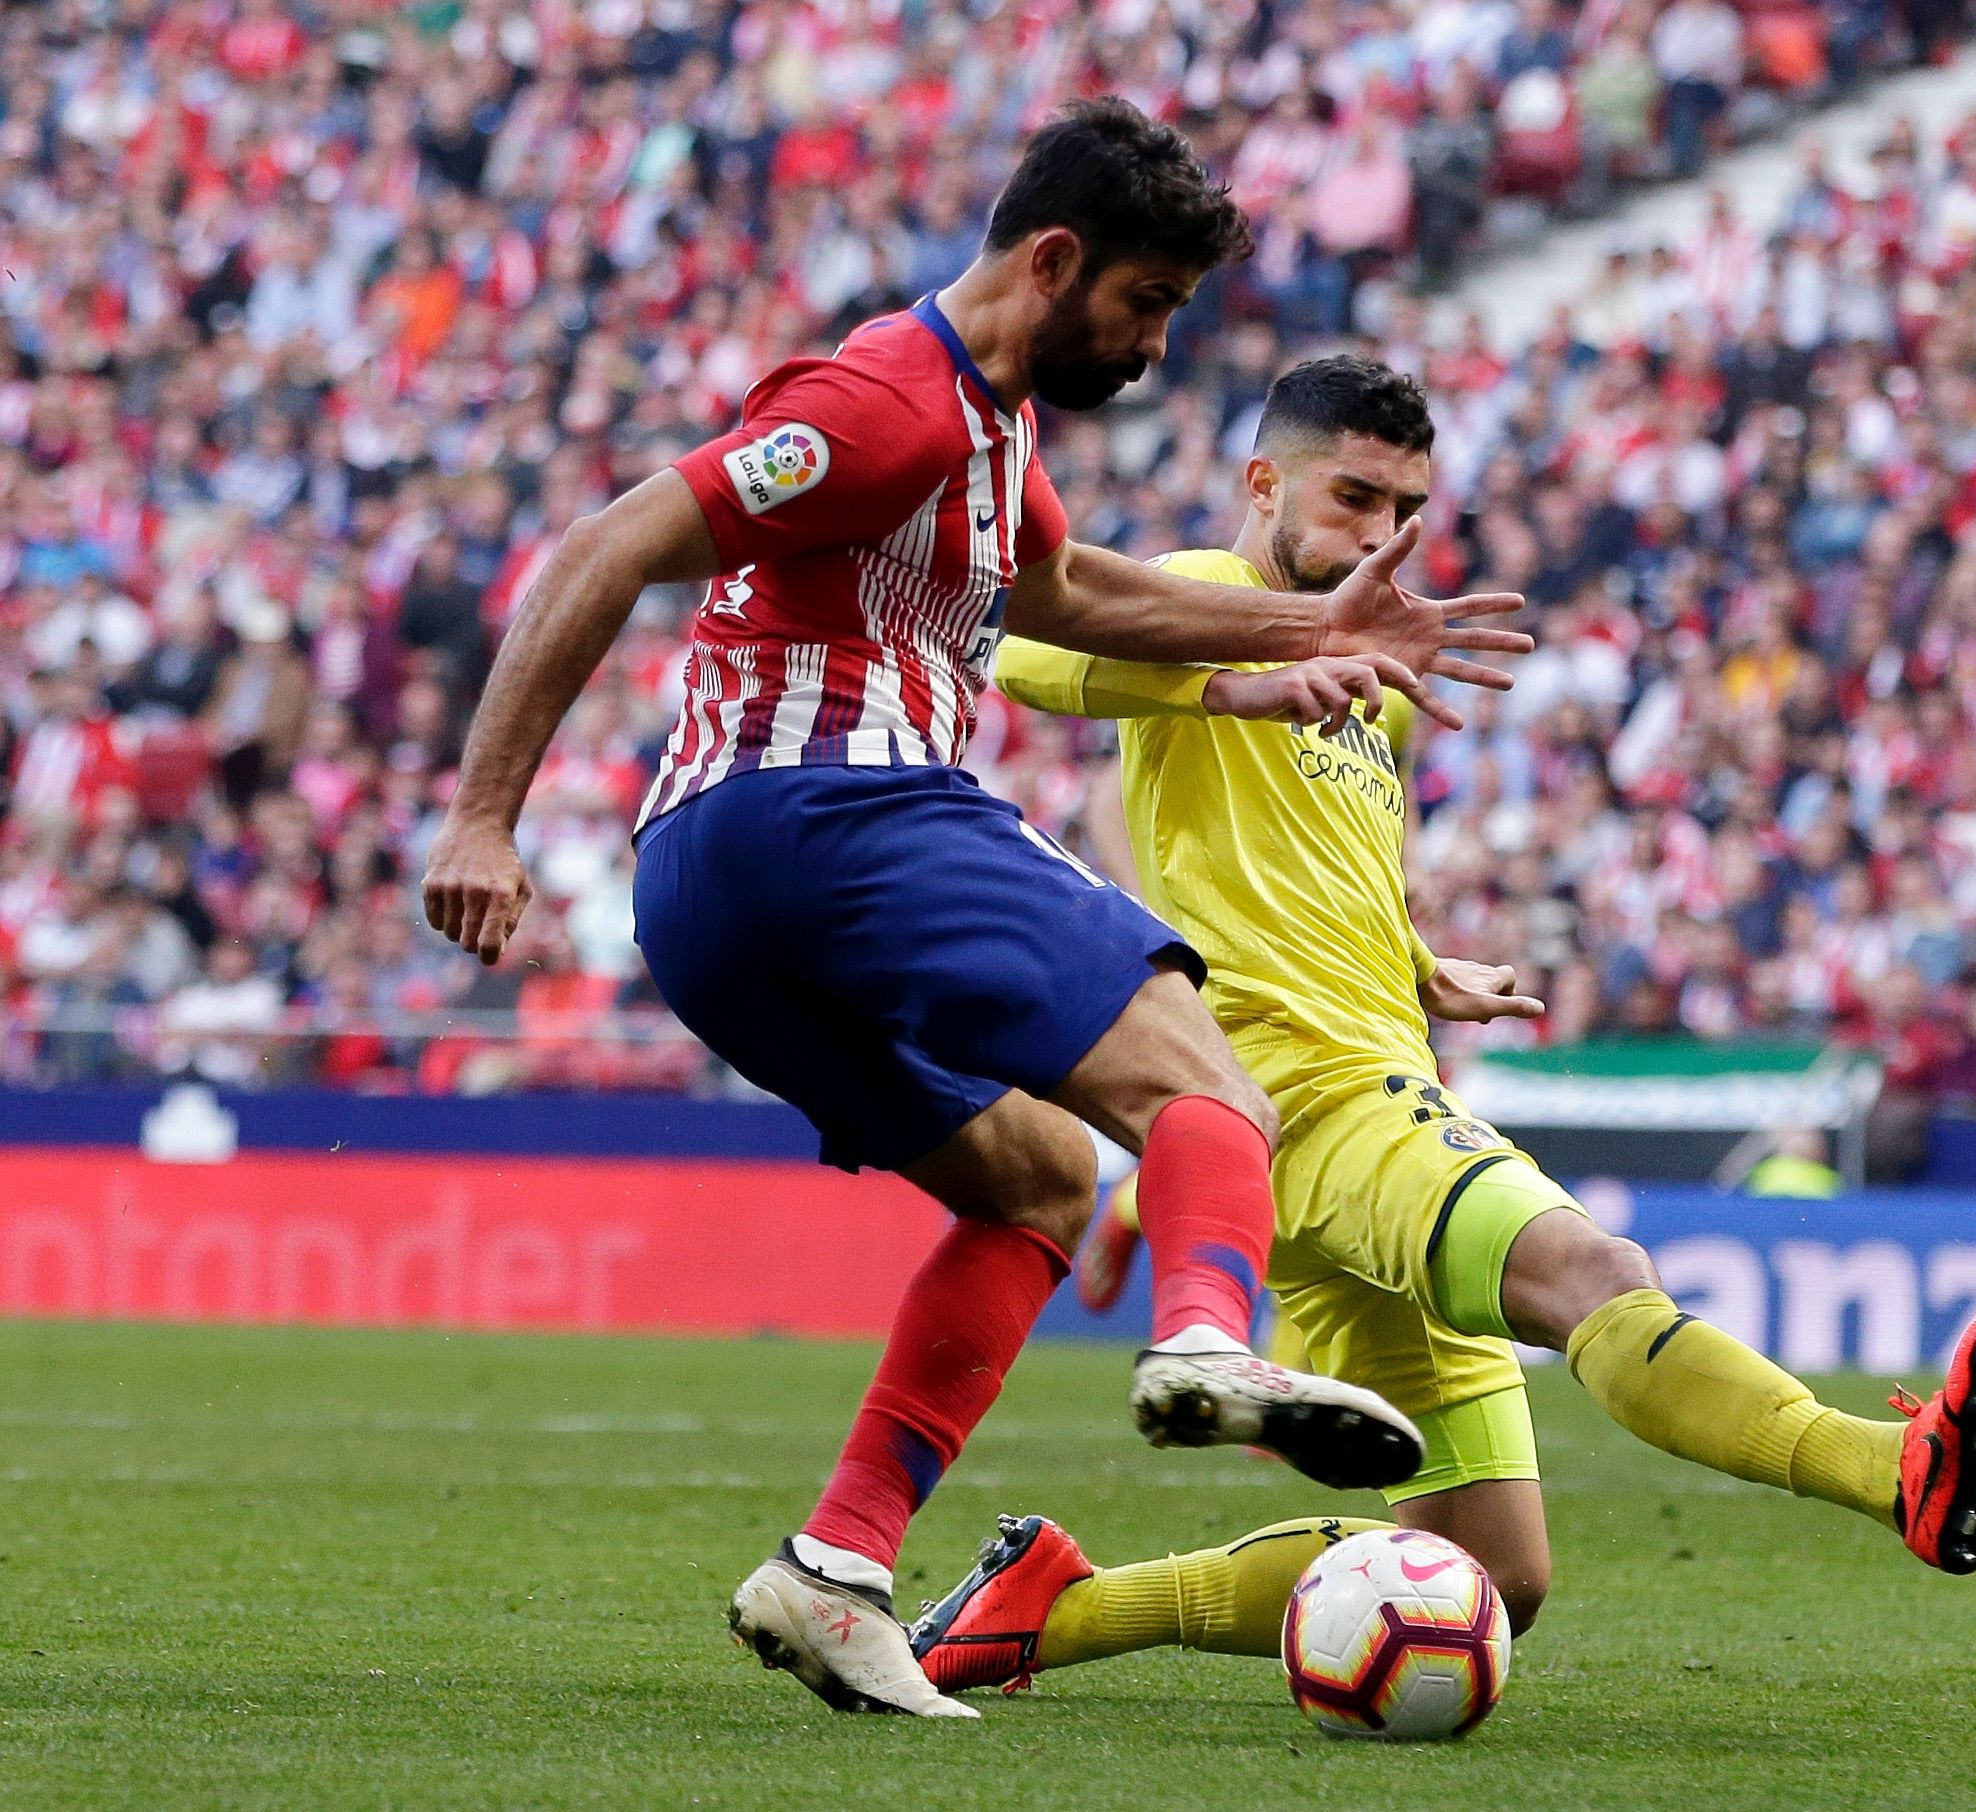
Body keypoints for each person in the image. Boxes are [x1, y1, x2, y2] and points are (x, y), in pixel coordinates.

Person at [416, 103, 1534, 1722]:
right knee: (1200, 1078)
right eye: (1146, 304)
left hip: (716, 899)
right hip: (825, 808)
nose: (1154, 344)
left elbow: (1073, 598)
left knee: (1034, 1179)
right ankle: (1210, 1340)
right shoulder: (885, 402)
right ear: (1053, 259)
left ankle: (834, 1570)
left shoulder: (993, 430)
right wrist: (480, 811)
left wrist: (1298, 624)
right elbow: (613, 538)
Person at [904, 356, 1976, 1698]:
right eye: (1351, 497)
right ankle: (1887, 1466)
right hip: (1315, 1094)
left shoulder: (1373, 678)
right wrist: (1232, 677)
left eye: (1401, 510)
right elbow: (1027, 650)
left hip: (1353, 1084)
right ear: (1263, 480)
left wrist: (1417, 957)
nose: (1374, 537)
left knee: (1494, 1576)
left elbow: (1324, 861)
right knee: (1591, 1270)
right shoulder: (1202, 593)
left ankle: (1055, 1608)